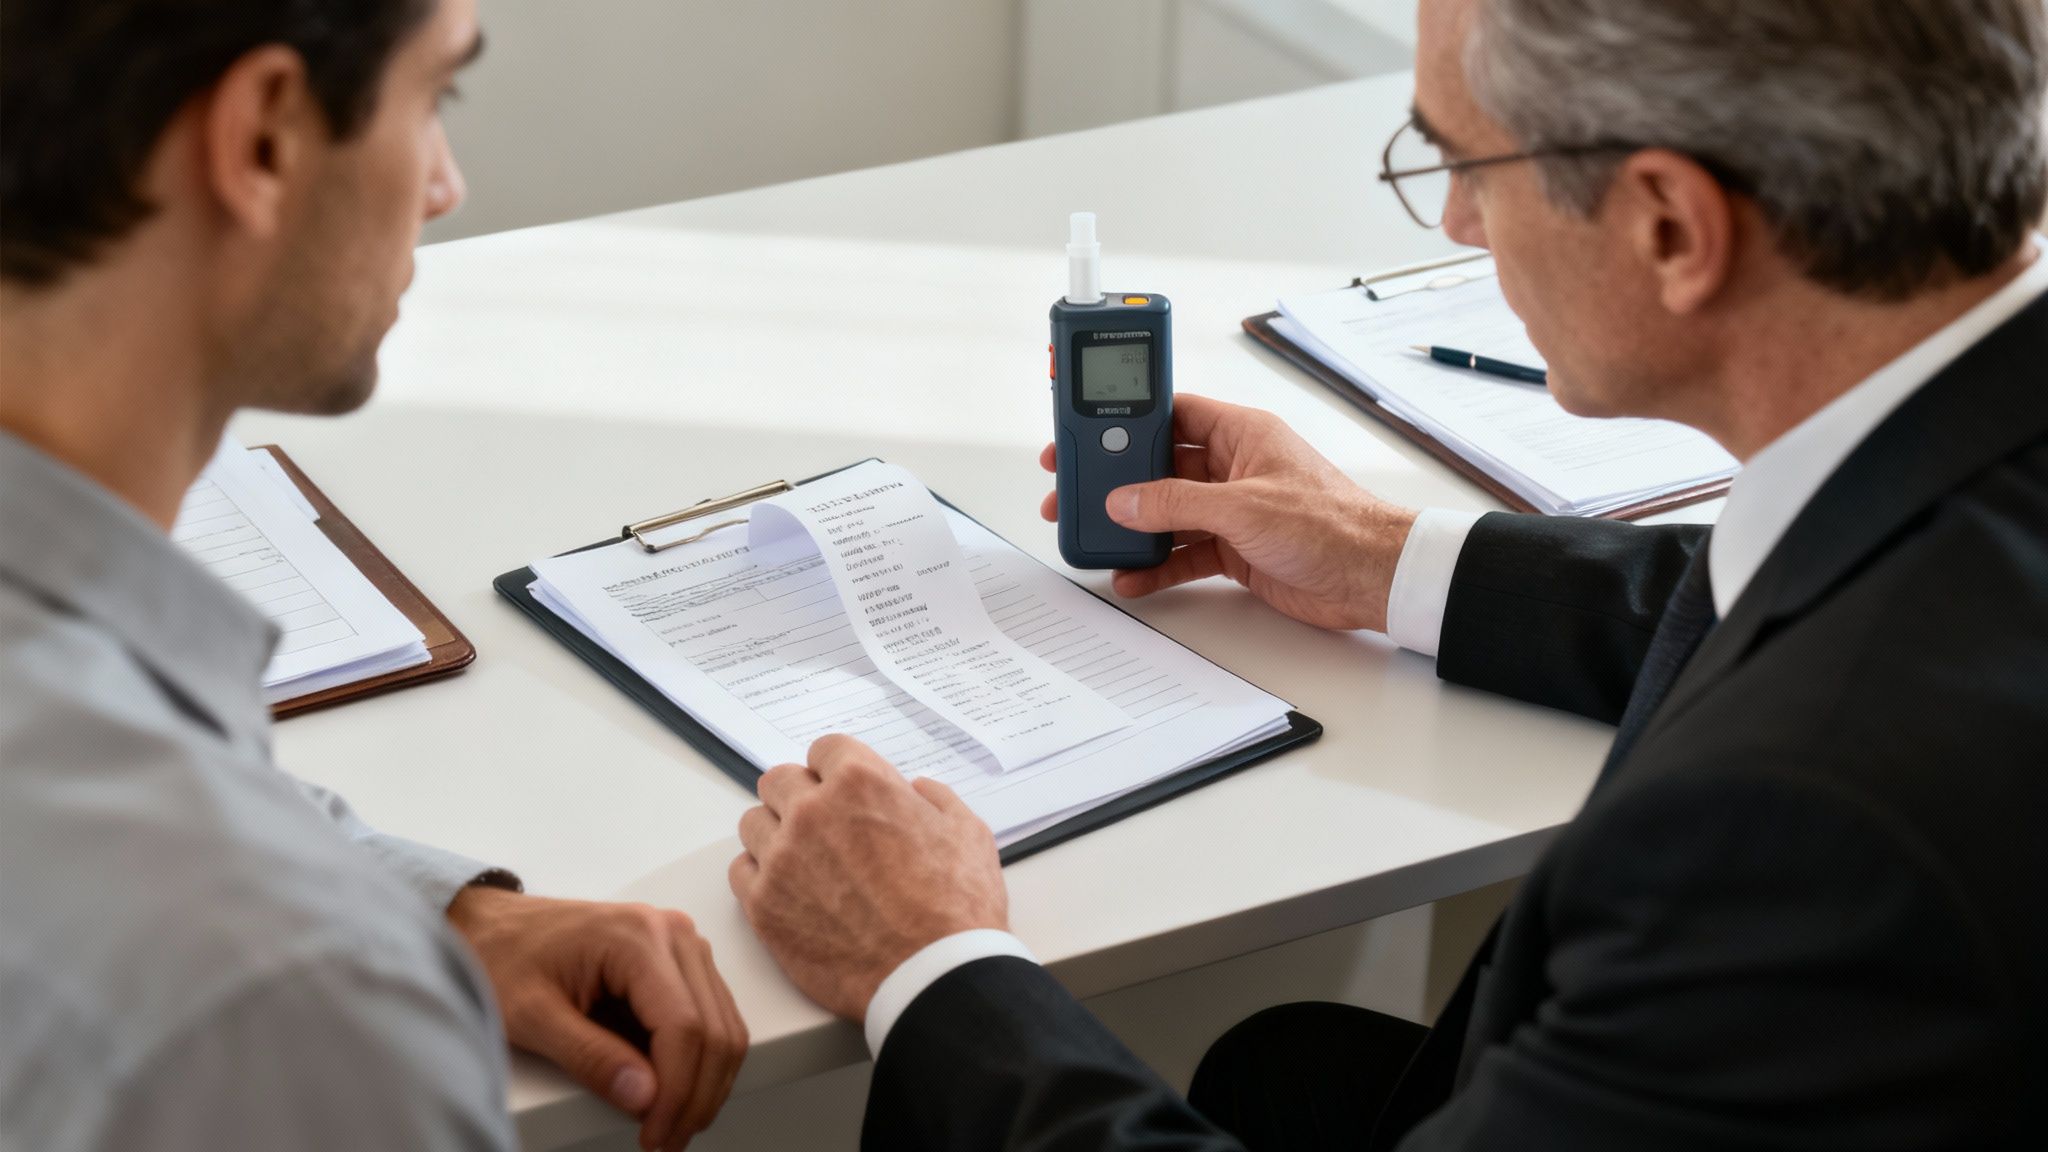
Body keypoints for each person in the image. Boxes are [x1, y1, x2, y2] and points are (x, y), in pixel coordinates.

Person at [729, 0, 2048, 1148]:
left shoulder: (1796, 842)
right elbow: (1811, 587)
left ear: (1668, 226)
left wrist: (929, 962)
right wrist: (1384, 559)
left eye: (1465, 159)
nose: (1462, 223)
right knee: (1285, 1064)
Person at [0, 2, 744, 1149]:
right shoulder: (298, 1016)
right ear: (263, 138)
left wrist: (439, 911)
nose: (443, 184)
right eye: (433, 97)